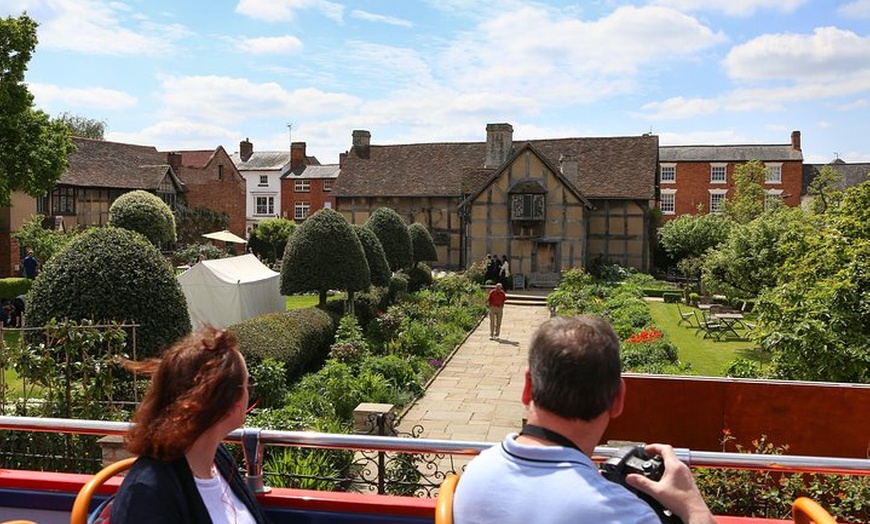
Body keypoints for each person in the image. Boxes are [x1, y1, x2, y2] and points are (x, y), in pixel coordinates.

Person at [453, 315, 716, 524]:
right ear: (618, 399)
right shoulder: (623, 514)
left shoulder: (474, 474)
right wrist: (694, 509)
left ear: (527, 387)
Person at [111, 325, 270, 524]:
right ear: (228, 402)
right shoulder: (147, 493)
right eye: (248, 384)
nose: (249, 392)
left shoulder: (217, 458)